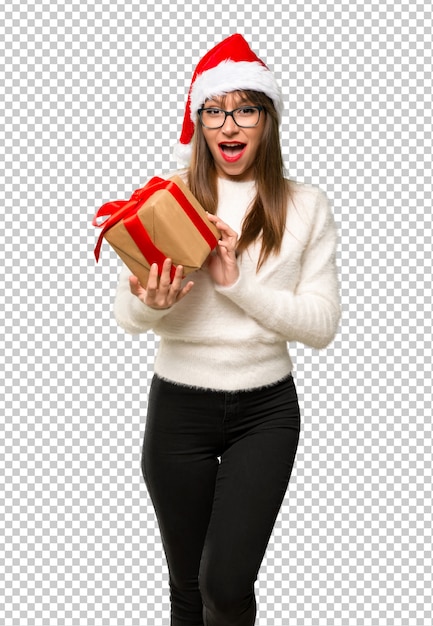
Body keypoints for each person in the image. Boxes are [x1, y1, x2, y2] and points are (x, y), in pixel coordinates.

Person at [113, 34, 340, 626]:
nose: (229, 124)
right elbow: (127, 315)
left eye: (245, 109)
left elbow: (321, 327)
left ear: (268, 118)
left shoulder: (305, 205)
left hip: (266, 411)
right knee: (188, 588)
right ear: (199, 120)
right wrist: (153, 304)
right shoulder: (170, 197)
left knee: (226, 584)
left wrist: (235, 282)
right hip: (178, 409)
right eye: (215, 110)